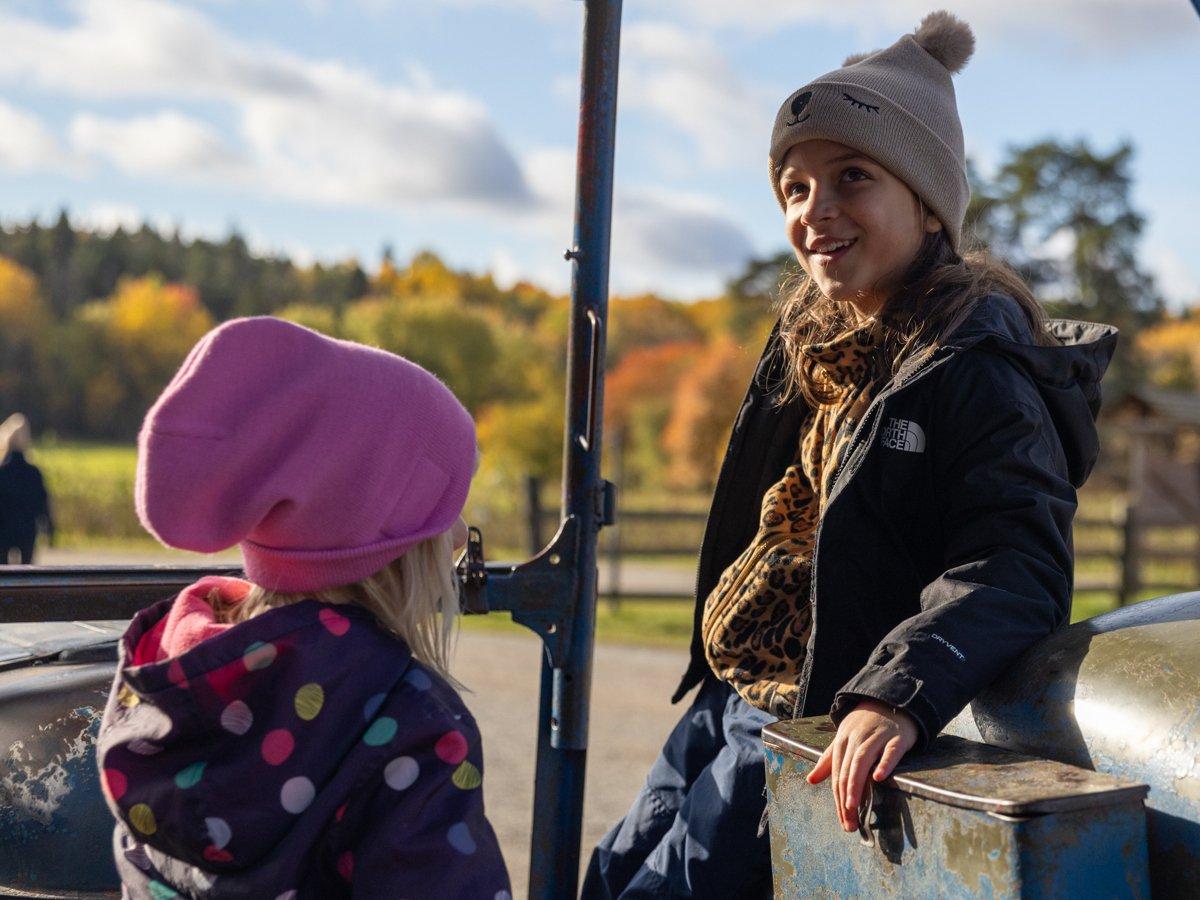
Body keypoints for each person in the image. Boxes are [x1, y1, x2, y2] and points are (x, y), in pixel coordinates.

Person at [583, 10, 1118, 898]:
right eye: (792, 187)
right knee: (612, 872)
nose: (812, 211)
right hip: (742, 684)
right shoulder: (816, 351)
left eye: (852, 177)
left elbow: (1015, 560)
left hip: (826, 706)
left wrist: (896, 691)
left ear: (927, 202)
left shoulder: (972, 367)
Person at [95, 317, 511, 899]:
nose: (461, 530)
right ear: (385, 539)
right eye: (443, 505)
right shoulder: (412, 723)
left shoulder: (172, 680)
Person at [0, 412, 54, 564]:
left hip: (3, 530)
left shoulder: (2, 472)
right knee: (27, 572)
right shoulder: (33, 473)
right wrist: (49, 527)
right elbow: (42, 502)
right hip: (27, 530)